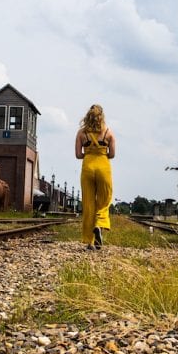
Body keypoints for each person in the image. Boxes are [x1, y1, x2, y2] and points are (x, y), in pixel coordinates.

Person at [75, 104, 116, 249]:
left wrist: (89, 151)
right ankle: (100, 224)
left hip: (87, 168)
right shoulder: (108, 132)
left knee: (88, 204)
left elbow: (78, 155)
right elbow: (112, 154)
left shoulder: (81, 133)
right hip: (103, 167)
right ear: (101, 116)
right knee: (105, 200)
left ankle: (89, 241)